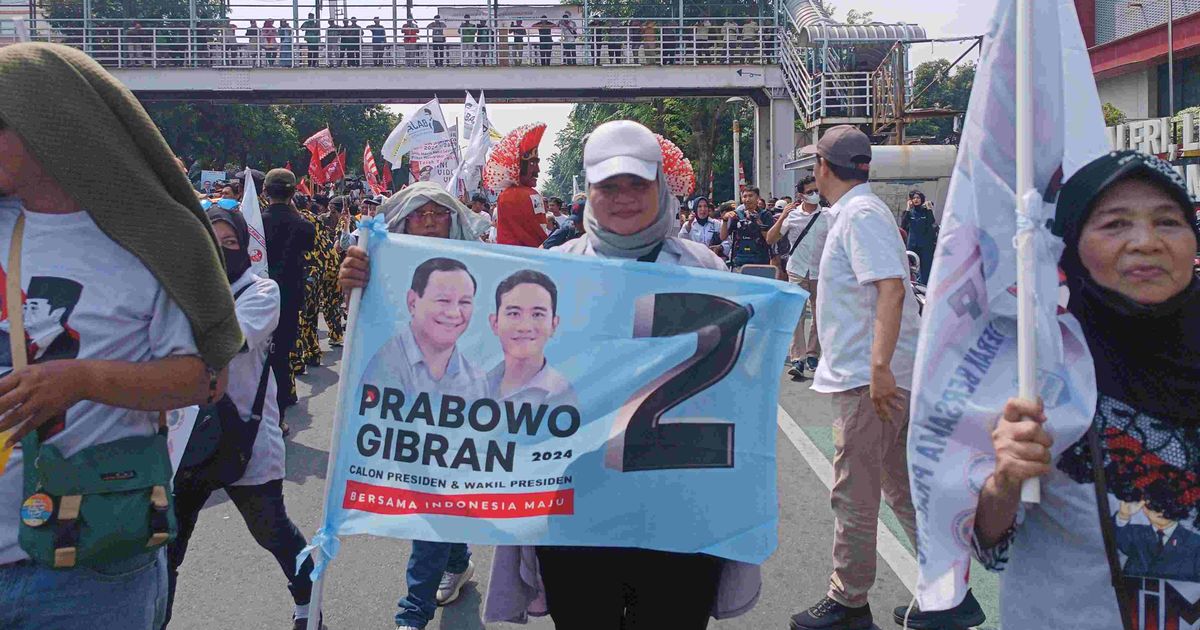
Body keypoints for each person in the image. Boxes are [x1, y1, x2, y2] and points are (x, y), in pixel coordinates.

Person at [0, 42, 241, 629]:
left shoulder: (152, 240)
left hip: (92, 566)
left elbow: (204, 380)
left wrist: (81, 380)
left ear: (43, 126)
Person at [485, 119, 760, 630]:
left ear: (661, 185)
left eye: (638, 184)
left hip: (680, 511)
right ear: (588, 190)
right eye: (609, 186)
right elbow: (486, 352)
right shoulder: (554, 272)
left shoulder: (707, 270)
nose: (625, 197)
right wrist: (372, 281)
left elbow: (741, 385)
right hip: (578, 512)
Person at [967, 151, 1200, 630]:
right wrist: (1006, 479)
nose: (1146, 242)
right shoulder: (1035, 369)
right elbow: (987, 542)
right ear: (1071, 245)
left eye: (1168, 221)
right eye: (1115, 225)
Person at [336, 182, 491, 630]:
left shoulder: (487, 265)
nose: (427, 218)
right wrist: (352, 285)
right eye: (417, 211)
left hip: (461, 409)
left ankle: (412, 614)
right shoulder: (380, 266)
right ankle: (458, 560)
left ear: (454, 220)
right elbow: (364, 323)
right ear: (401, 220)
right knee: (442, 500)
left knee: (434, 501)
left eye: (438, 211)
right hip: (405, 407)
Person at [788, 126, 923, 630]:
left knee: (855, 491)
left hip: (870, 380)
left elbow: (889, 288)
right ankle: (948, 591)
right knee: (900, 489)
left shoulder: (860, 214)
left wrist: (879, 368)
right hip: (875, 373)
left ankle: (848, 600)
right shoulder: (856, 212)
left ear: (823, 166)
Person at [164, 206, 317, 630]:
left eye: (230, 243)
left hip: (244, 436)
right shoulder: (182, 288)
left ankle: (309, 600)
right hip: (188, 437)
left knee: (273, 533)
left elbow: (228, 340)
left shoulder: (262, 291)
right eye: (211, 243)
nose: (221, 250)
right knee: (169, 545)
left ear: (246, 249)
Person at [260, 169, 315, 435]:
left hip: (257, 300)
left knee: (256, 361)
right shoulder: (304, 225)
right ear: (294, 193)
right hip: (288, 301)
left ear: (265, 192)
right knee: (281, 360)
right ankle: (278, 419)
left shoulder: (255, 223)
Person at [766, 176, 829, 381]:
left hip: (821, 271)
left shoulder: (829, 215)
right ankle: (798, 359)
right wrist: (783, 215)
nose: (814, 194)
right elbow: (770, 238)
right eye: (810, 192)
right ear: (801, 195)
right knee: (797, 315)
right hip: (797, 270)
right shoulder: (792, 215)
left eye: (816, 190)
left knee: (819, 315)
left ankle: (813, 355)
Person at [487, 270, 577, 407]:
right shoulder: (477, 385)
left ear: (554, 324)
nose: (525, 327)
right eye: (514, 313)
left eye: (537, 314)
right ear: (495, 323)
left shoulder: (562, 395)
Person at [495, 139, 547, 248]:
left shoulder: (503, 195)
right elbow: (540, 231)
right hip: (531, 256)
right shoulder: (533, 195)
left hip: (506, 255)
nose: (538, 170)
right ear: (518, 167)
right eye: (532, 163)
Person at [720, 186, 773, 269]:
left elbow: (769, 239)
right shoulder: (737, 215)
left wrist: (758, 222)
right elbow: (723, 237)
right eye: (745, 196)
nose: (747, 200)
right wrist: (725, 220)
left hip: (761, 262)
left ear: (758, 198)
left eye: (751, 196)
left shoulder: (765, 215)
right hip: (739, 262)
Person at [900, 190, 937, 284]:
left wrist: (929, 210)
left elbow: (931, 223)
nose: (916, 200)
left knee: (925, 268)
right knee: (909, 267)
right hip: (912, 245)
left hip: (925, 245)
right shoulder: (909, 213)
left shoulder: (925, 212)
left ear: (922, 199)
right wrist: (908, 209)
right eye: (914, 198)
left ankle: (924, 286)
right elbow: (903, 225)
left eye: (918, 198)